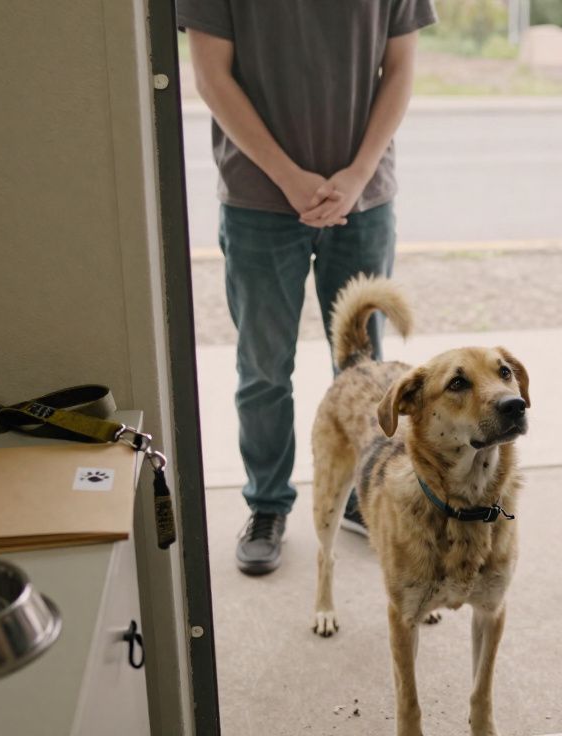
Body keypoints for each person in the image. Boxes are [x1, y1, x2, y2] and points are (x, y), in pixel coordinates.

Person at [176, 0, 437, 575]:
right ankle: (267, 505)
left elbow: (399, 70)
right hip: (258, 200)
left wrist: (359, 174)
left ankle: (362, 497)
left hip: (362, 198)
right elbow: (210, 76)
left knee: (363, 368)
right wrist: (289, 178)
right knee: (264, 366)